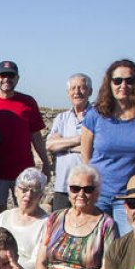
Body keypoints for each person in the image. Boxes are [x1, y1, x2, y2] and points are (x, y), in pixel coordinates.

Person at [80, 60, 135, 236]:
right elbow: (86, 155)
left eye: (129, 80)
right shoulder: (95, 114)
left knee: (130, 246)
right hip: (98, 194)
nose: (123, 85)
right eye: (117, 80)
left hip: (130, 197)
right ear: (109, 83)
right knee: (95, 247)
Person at [0, 61, 51, 218]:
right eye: (2, 75)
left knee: (28, 212)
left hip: (23, 170)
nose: (6, 79)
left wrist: (45, 161)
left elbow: (35, 135)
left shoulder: (28, 102)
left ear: (17, 78)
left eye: (11, 75)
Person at [47, 74, 93, 211]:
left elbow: (98, 147)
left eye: (81, 88)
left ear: (90, 91)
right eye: (73, 88)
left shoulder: (98, 117)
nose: (77, 92)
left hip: (88, 187)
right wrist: (80, 139)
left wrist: (63, 144)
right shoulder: (61, 118)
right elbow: (50, 145)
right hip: (63, 186)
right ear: (68, 93)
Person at [0, 168, 50, 269]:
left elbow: (37, 262)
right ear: (16, 191)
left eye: (34, 191)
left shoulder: (46, 223)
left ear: (41, 196)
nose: (28, 195)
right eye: (24, 190)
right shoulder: (4, 216)